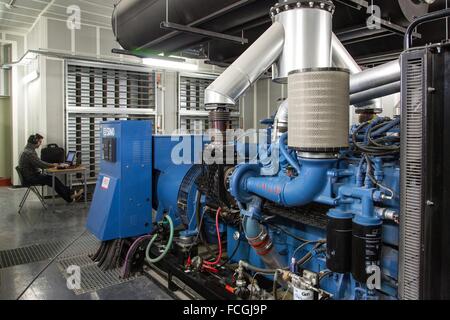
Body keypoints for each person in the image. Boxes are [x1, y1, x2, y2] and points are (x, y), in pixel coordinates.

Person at [19, 133, 83, 203]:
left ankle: (70, 195)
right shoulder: (29, 153)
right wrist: (54, 165)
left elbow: (38, 162)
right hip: (31, 178)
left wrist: (53, 165)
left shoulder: (27, 150)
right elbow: (40, 164)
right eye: (40, 142)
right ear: (35, 142)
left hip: (30, 176)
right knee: (53, 180)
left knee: (53, 180)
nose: (40, 144)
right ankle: (70, 195)